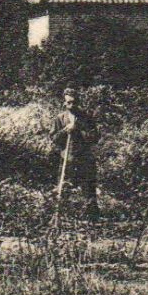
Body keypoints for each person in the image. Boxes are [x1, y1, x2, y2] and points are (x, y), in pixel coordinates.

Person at [55, 88, 100, 216]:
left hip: (85, 159)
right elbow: (54, 139)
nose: (72, 105)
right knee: (63, 188)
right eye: (69, 102)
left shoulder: (86, 118)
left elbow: (95, 137)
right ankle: (63, 215)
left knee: (89, 189)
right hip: (67, 158)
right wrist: (65, 131)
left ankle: (92, 217)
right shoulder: (60, 118)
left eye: (74, 102)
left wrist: (78, 129)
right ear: (64, 103)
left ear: (78, 102)